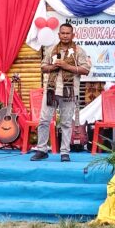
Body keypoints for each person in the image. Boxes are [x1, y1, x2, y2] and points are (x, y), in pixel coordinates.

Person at [30, 23, 92, 162]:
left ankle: (65, 152)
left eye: (67, 33)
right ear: (58, 35)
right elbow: (43, 67)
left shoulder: (79, 51)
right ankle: (42, 150)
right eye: (62, 33)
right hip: (51, 90)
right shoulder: (51, 49)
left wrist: (66, 66)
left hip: (69, 92)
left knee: (66, 123)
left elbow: (86, 70)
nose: (65, 36)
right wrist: (53, 67)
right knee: (44, 121)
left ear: (73, 35)